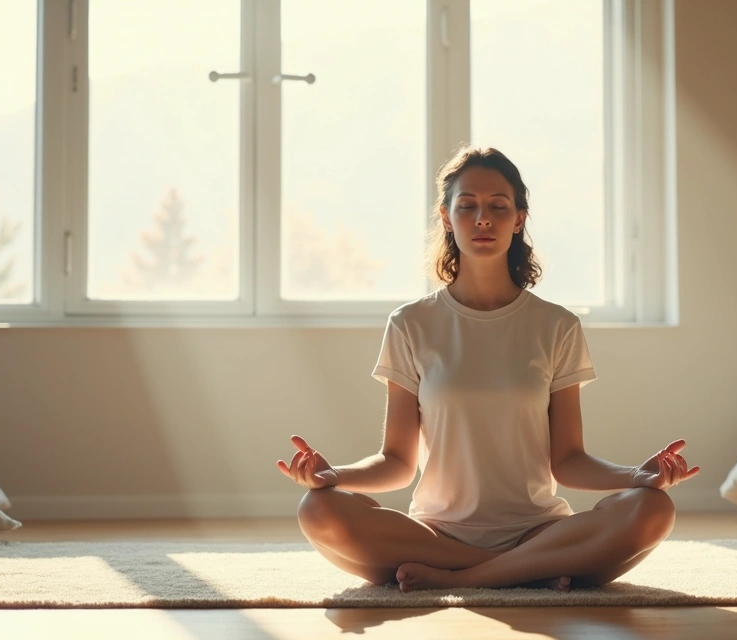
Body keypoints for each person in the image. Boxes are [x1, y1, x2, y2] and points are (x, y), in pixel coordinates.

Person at [277, 146, 699, 592]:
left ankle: (469, 575)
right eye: (468, 206)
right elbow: (398, 462)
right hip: (437, 534)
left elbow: (569, 461)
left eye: (499, 206)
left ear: (519, 219)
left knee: (654, 509)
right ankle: (524, 570)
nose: (483, 218)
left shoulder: (557, 325)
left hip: (538, 530)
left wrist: (639, 477)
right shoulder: (410, 324)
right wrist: (332, 476)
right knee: (317, 509)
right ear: (446, 217)